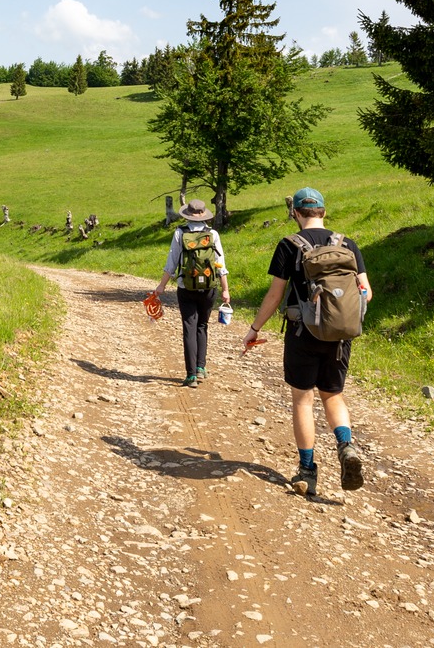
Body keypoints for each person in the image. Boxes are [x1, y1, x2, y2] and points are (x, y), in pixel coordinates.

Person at [242, 187, 371, 497]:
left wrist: (255, 328)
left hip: (304, 333)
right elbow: (365, 291)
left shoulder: (289, 245)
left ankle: (307, 470)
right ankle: (345, 445)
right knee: (333, 395)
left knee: (302, 399)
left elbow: (275, 294)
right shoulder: (347, 244)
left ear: (296, 214)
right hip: (340, 335)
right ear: (323, 212)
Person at [153, 198, 231, 386]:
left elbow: (171, 262)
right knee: (202, 326)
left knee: (189, 327)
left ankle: (191, 376)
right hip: (209, 288)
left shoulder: (180, 233)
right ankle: (201, 368)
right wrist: (226, 289)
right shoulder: (212, 234)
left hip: (185, 287)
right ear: (204, 215)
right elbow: (220, 264)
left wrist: (161, 286)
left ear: (187, 215)